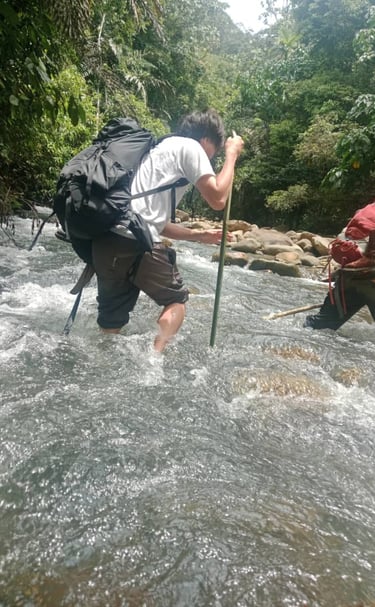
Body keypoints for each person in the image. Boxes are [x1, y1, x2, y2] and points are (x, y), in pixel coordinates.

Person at [91, 109, 244, 351]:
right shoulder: (192, 148)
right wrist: (232, 155)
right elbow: (218, 199)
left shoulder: (156, 151)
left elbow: (153, 220)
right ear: (207, 140)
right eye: (214, 153)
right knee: (176, 301)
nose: (211, 159)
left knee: (110, 326)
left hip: (106, 239)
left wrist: (199, 235)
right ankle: (154, 361)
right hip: (137, 241)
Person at [304, 229, 375, 330]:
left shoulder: (367, 218)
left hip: (351, 278)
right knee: (320, 327)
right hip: (359, 278)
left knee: (319, 326)